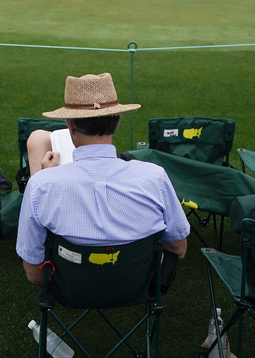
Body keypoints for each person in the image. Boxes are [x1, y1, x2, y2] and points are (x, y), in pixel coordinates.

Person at [16, 73, 190, 286]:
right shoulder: (155, 177)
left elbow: (34, 274)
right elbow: (178, 248)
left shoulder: (41, 184)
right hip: (139, 284)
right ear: (117, 120)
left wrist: (45, 176)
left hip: (69, 287)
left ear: (70, 126)